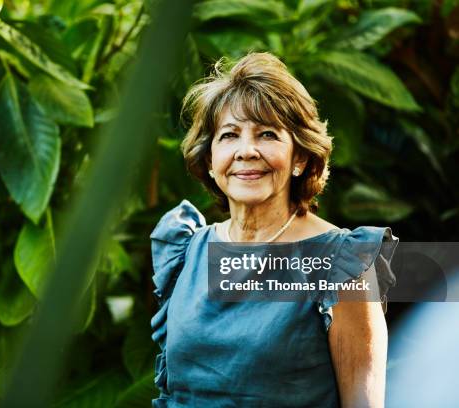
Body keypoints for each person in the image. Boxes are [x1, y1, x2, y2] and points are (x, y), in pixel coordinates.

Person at [149, 52, 398, 407]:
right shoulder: (186, 251)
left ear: (300, 158)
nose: (246, 151)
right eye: (229, 135)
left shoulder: (343, 264)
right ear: (209, 158)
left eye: (267, 134)